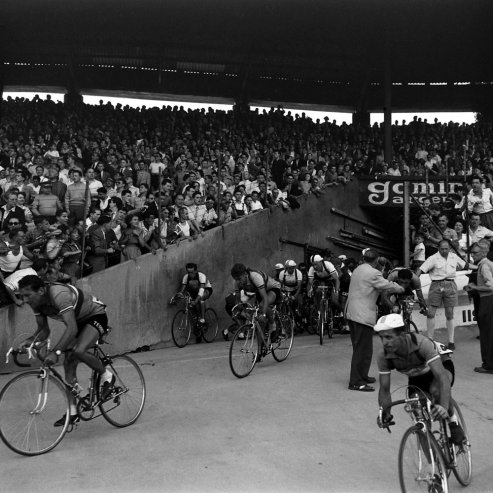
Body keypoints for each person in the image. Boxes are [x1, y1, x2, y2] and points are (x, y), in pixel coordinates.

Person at [18, 275, 115, 426]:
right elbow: (43, 331)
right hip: (77, 322)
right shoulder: (35, 302)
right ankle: (73, 413)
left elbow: (72, 328)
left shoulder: (58, 294)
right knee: (68, 364)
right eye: (22, 296)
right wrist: (31, 340)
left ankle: (107, 376)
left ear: (41, 291)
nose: (24, 300)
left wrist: (56, 352)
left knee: (79, 350)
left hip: (95, 315)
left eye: (27, 296)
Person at [375, 313, 465, 445]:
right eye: (381, 337)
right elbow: (384, 388)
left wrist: (444, 407)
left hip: (441, 368)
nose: (385, 343)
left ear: (401, 335)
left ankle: (453, 422)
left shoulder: (422, 344)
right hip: (417, 376)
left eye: (389, 337)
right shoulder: (383, 355)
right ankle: (434, 452)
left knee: (436, 391)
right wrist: (385, 412)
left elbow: (442, 378)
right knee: (415, 406)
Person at [345, 248, 405, 392]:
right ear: (376, 260)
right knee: (362, 350)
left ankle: (362, 375)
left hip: (352, 313)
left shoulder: (358, 269)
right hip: (362, 315)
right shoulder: (373, 273)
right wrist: (400, 288)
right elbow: (386, 285)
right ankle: (356, 382)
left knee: (363, 348)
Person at [417, 239, 473, 350]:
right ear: (438, 248)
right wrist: (414, 280)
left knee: (450, 313)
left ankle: (451, 341)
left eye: (446, 249)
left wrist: (480, 266)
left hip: (451, 285)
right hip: (436, 285)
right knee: (431, 312)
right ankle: (430, 340)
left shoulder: (453, 256)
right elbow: (420, 269)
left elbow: (465, 265)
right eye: (442, 249)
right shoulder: (433, 258)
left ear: (449, 248)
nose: (444, 251)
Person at [230, 263, 281, 351]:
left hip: (272, 288)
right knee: (254, 314)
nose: (238, 282)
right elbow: (238, 300)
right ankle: (261, 348)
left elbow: (265, 298)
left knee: (262, 306)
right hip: (259, 291)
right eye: (235, 279)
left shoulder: (255, 277)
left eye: (239, 279)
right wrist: (240, 311)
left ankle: (273, 326)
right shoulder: (237, 282)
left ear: (245, 275)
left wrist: (264, 314)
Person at [463, 243, 493, 374]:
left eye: (475, 253)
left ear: (483, 253)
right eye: (472, 253)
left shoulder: (484, 266)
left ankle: (488, 365)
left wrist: (474, 287)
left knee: (486, 334)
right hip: (487, 299)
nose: (472, 255)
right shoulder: (489, 264)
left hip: (487, 300)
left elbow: (491, 286)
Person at [179, 263, 213, 343]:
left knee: (200, 298)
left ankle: (202, 318)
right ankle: (197, 329)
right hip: (193, 291)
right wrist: (179, 294)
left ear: (196, 270)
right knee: (191, 306)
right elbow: (183, 288)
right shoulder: (186, 277)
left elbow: (201, 290)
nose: (190, 274)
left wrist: (196, 300)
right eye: (189, 272)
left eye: (192, 272)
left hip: (206, 289)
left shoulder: (201, 276)